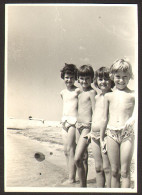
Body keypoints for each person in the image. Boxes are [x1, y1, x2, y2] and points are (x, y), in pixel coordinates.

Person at [100, 59, 135, 188]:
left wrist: (133, 119)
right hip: (111, 133)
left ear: (130, 77)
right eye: (118, 77)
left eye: (125, 77)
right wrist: (102, 138)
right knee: (114, 171)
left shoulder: (133, 95)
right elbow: (104, 118)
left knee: (125, 172)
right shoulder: (108, 96)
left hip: (127, 134)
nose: (121, 80)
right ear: (112, 76)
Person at [89, 67, 114, 188]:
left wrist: (104, 137)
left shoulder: (112, 96)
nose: (103, 82)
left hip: (106, 136)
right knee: (98, 168)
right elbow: (94, 116)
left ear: (111, 80)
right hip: (94, 135)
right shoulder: (97, 97)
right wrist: (90, 131)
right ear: (96, 81)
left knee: (107, 168)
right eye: (100, 79)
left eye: (106, 79)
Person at [74, 65, 96, 187]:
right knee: (83, 158)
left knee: (77, 159)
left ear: (92, 79)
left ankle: (82, 186)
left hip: (87, 127)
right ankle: (85, 186)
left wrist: (92, 130)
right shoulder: (79, 93)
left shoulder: (92, 92)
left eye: (87, 78)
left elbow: (95, 111)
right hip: (78, 126)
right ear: (78, 78)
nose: (84, 81)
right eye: (81, 78)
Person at [60, 63, 80, 184]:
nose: (69, 79)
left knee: (71, 149)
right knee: (65, 150)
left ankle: (72, 178)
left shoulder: (78, 91)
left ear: (75, 78)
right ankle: (70, 175)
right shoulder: (62, 92)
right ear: (63, 77)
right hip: (64, 121)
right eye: (67, 77)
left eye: (72, 77)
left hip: (73, 122)